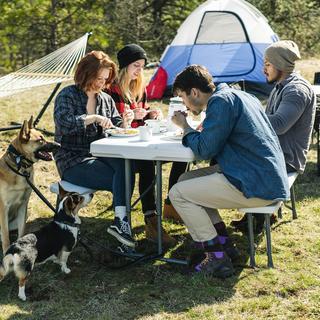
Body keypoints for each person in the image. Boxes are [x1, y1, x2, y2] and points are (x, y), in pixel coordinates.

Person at [168, 65, 290, 277]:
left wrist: (185, 127)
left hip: (256, 184)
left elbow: (205, 150)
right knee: (185, 179)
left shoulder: (221, 102)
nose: (184, 104)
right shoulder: (239, 95)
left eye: (182, 97)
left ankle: (215, 257)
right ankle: (224, 244)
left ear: (194, 92)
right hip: (263, 175)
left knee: (177, 193)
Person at [231, 40, 316, 233]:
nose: (263, 69)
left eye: (267, 64)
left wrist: (245, 118)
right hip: (275, 151)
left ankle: (259, 213)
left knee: (230, 160)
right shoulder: (282, 85)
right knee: (228, 151)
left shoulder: (296, 90)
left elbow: (278, 125)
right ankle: (255, 212)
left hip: (286, 157)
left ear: (280, 65)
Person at [106, 44, 187, 244]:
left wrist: (152, 113)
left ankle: (171, 204)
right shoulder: (112, 90)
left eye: (142, 66)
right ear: (124, 66)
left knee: (182, 152)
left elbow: (144, 113)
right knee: (147, 165)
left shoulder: (138, 87)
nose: (139, 71)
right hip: (125, 145)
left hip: (142, 139)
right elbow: (114, 122)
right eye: (136, 66)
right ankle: (151, 219)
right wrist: (132, 116)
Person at [54, 51, 135, 249]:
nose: (101, 83)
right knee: (122, 176)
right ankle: (122, 224)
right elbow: (64, 124)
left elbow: (114, 123)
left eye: (105, 79)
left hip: (100, 155)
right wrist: (93, 118)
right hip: (73, 160)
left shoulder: (105, 99)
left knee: (126, 167)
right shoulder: (67, 95)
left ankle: (120, 222)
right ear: (85, 73)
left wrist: (124, 122)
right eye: (98, 78)